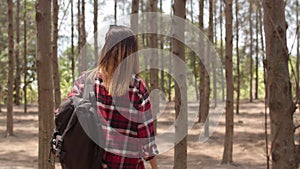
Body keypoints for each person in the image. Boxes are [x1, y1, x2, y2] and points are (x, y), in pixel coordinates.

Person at [68, 25, 159, 169]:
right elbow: (146, 141)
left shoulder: (84, 82)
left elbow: (67, 118)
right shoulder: (137, 88)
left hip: (90, 163)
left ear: (106, 49)